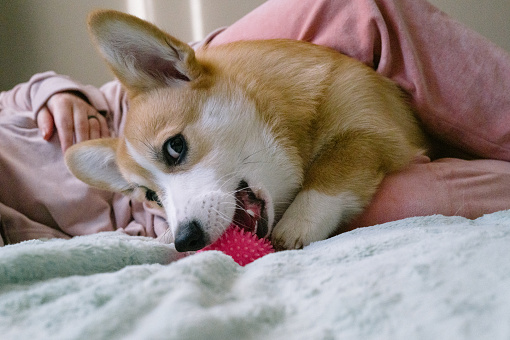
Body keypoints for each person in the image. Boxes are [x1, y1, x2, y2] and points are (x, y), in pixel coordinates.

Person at [1, 0, 509, 246]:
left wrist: (54, 92)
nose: (185, 225)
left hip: (165, 88)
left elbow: (19, 97)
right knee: (413, 198)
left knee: (357, 9)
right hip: (162, 179)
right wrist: (151, 203)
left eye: (177, 152)